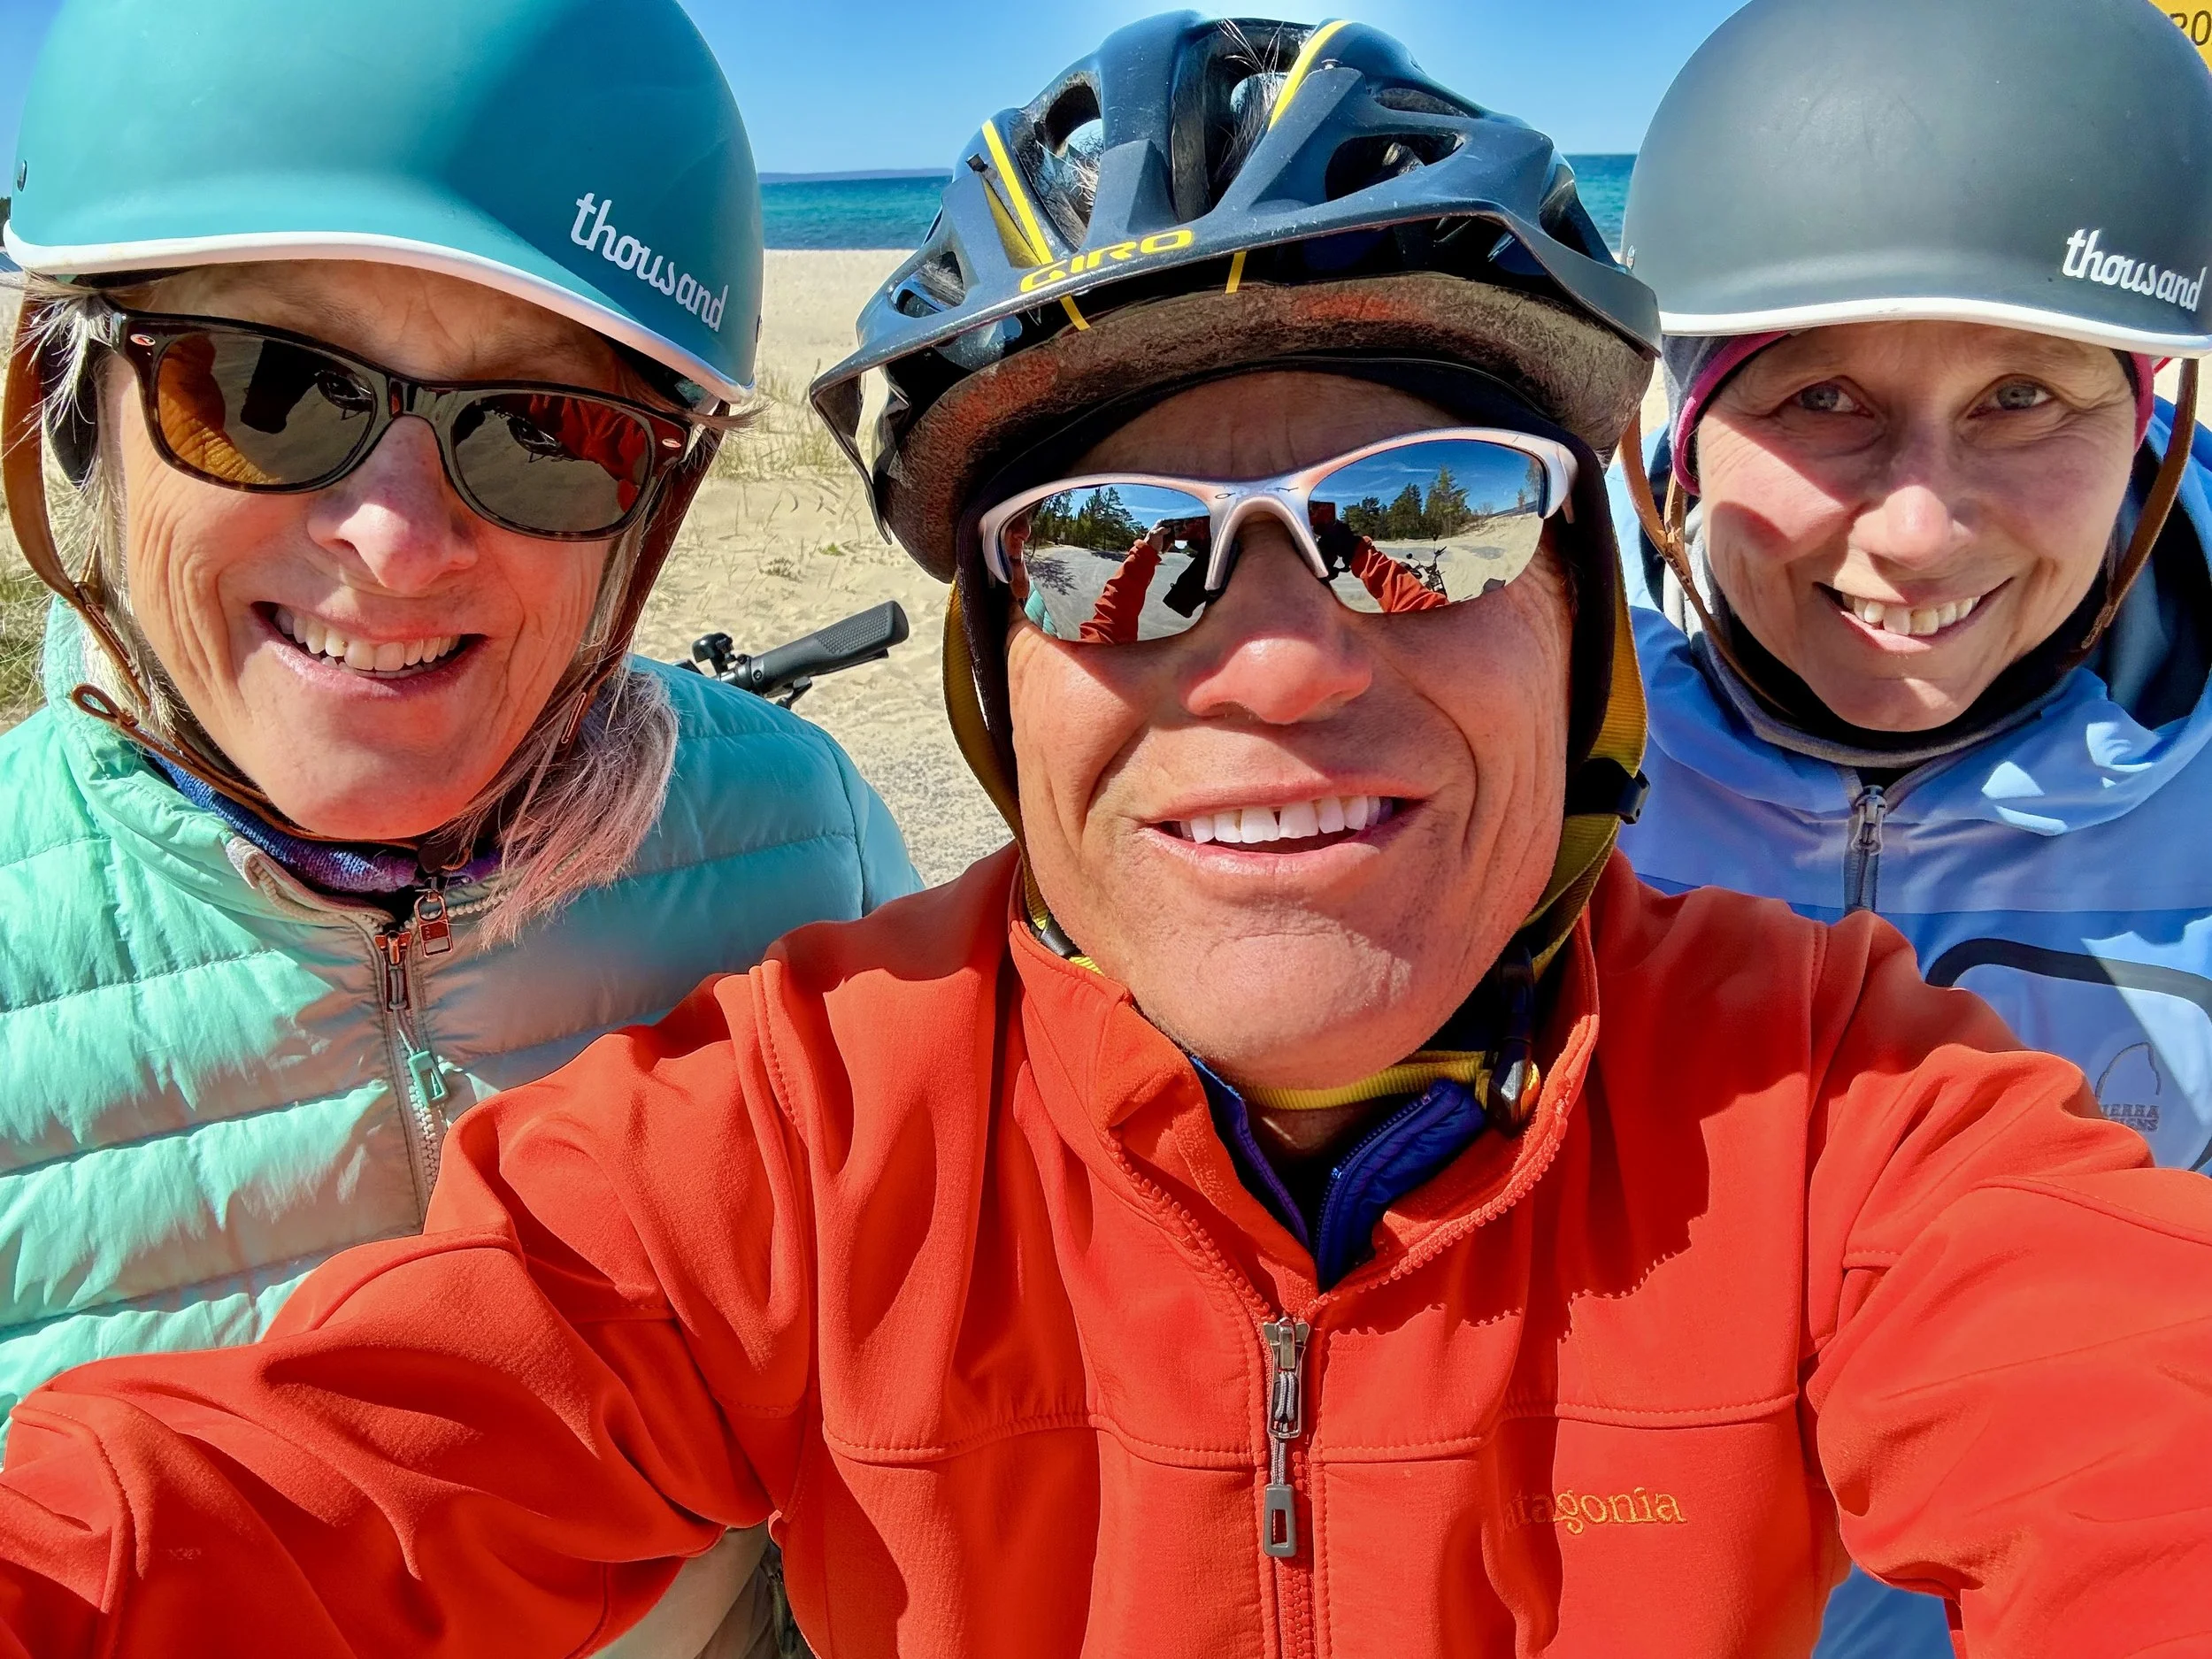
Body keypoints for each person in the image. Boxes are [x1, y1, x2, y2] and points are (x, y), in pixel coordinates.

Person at [0, 15, 2209, 1656]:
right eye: (1111, 552)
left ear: (1578, 625)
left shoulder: (1831, 1101)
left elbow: (2129, 1446)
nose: (1273, 667)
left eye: (1411, 525)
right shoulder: (806, 1130)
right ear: (995, 684)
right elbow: (299, 1482)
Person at [0, 1, 914, 1653]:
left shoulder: (812, 854)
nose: (401, 539)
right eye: (267, 387)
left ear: (651, 504)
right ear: (71, 410)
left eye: (546, 430)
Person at [1609, 0, 2212, 1648]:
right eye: (1818, 401)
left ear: (2150, 420)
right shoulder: (1523, 749)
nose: (1922, 529)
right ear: (1673, 430)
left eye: (2026, 394)